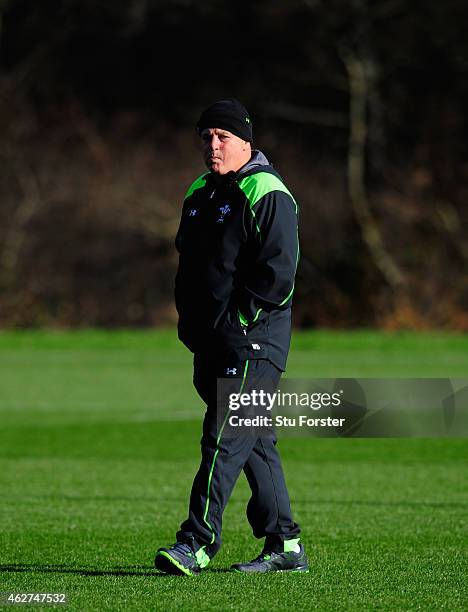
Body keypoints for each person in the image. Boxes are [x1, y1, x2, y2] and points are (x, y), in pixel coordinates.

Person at [154, 99, 308, 575]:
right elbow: (190, 267)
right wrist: (191, 323)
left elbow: (278, 274)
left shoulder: (268, 190)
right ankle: (285, 545)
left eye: (222, 137)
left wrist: (239, 320)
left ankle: (196, 542)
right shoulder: (200, 191)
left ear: (246, 140)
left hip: (254, 342)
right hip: (211, 342)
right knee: (254, 441)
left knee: (222, 438)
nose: (213, 145)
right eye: (206, 137)